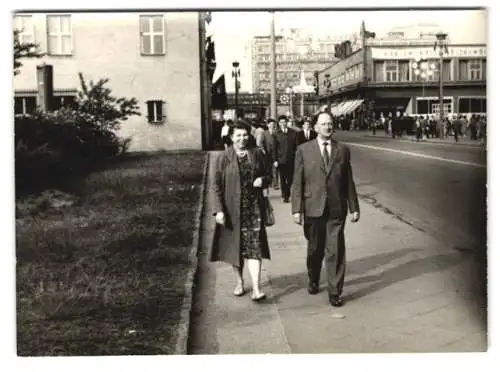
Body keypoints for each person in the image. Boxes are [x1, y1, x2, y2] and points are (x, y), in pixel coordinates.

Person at [291, 111, 360, 307]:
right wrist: (297, 209)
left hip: (336, 209)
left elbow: (348, 181)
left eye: (330, 124)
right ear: (315, 127)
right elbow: (298, 182)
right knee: (315, 250)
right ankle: (313, 277)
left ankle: (335, 291)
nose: (327, 127)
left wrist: (354, 207)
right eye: (323, 124)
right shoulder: (303, 150)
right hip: (313, 208)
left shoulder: (342, 150)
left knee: (335, 250)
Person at [210, 121, 272, 301]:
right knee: (235, 248)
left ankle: (256, 288)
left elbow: (268, 174)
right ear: (231, 137)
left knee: (254, 248)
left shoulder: (256, 154)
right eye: (238, 135)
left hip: (253, 210)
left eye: (245, 135)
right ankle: (239, 281)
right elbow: (215, 186)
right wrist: (218, 210)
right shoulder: (224, 157)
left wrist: (263, 180)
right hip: (232, 210)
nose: (242, 138)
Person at [274, 115, 298, 203]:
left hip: (291, 160)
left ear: (287, 123)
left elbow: (296, 147)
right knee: (283, 179)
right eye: (281, 122)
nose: (283, 124)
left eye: (284, 122)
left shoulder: (293, 133)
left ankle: (286, 192)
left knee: (290, 178)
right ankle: (285, 195)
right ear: (279, 123)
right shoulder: (276, 134)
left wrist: (296, 157)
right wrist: (275, 160)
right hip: (281, 160)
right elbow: (275, 149)